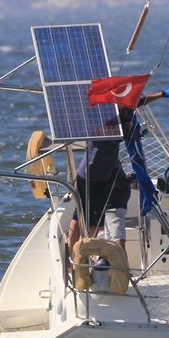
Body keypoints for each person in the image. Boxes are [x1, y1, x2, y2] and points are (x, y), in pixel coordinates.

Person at [66, 111, 134, 259]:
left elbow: (136, 101)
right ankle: (77, 257)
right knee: (89, 221)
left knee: (81, 216)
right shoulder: (111, 127)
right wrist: (128, 125)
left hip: (92, 173)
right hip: (92, 177)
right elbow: (121, 133)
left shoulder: (107, 116)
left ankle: (75, 256)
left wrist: (161, 94)